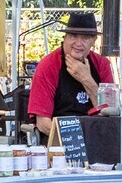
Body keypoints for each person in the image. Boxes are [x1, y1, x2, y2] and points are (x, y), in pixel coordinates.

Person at [27, 11, 117, 139]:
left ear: (94, 40)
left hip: (97, 137)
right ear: (65, 37)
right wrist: (76, 139)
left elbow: (112, 111)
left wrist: (87, 80)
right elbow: (43, 124)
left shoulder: (102, 64)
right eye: (74, 36)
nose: (78, 43)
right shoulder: (48, 66)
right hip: (60, 140)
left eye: (85, 38)